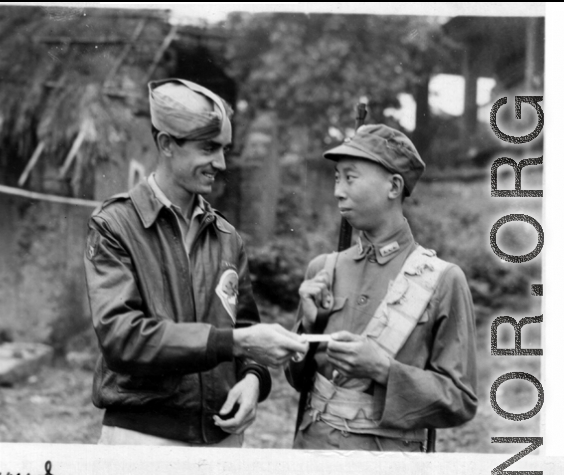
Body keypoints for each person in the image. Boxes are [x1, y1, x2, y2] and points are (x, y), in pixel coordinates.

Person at [85, 78, 306, 446]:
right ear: (166, 145)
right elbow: (122, 338)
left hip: (222, 439)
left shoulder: (226, 236)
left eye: (223, 149)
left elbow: (246, 328)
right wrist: (233, 343)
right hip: (144, 439)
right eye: (208, 148)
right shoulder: (115, 225)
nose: (219, 163)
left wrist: (253, 379)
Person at [286, 124, 478, 451]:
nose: (338, 191)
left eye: (350, 177)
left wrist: (384, 370)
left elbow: (460, 400)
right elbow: (298, 381)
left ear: (393, 186)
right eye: (336, 177)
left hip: (388, 471)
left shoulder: (443, 279)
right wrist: (308, 325)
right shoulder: (324, 269)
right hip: (313, 453)